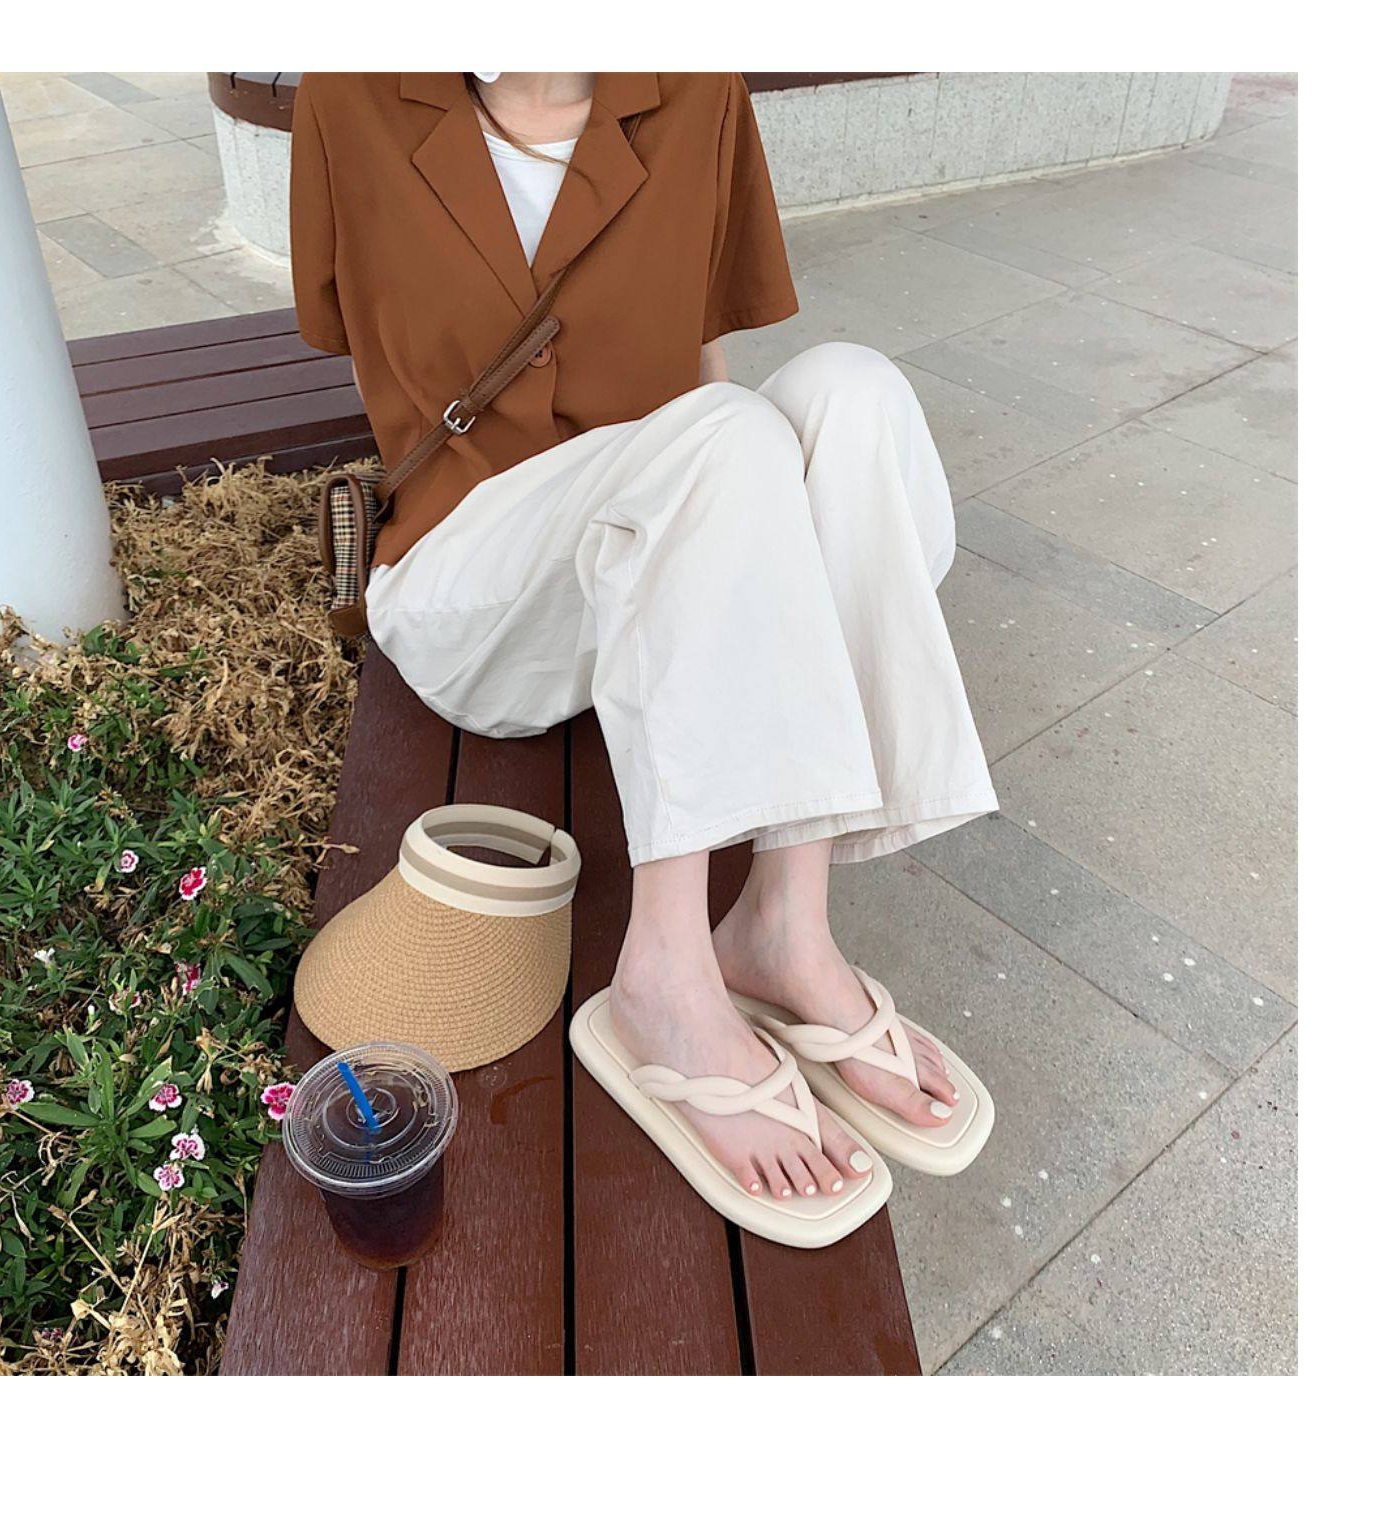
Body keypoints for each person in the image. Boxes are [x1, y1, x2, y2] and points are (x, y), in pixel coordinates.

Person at [292, 72, 997, 1242]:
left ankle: (783, 929)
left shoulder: (695, 88)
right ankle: (662, 977)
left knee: (852, 390)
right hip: (473, 579)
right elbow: (343, 329)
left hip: (658, 544)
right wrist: (701, 468)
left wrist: (719, 534)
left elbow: (704, 351)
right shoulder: (353, 92)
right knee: (724, 433)